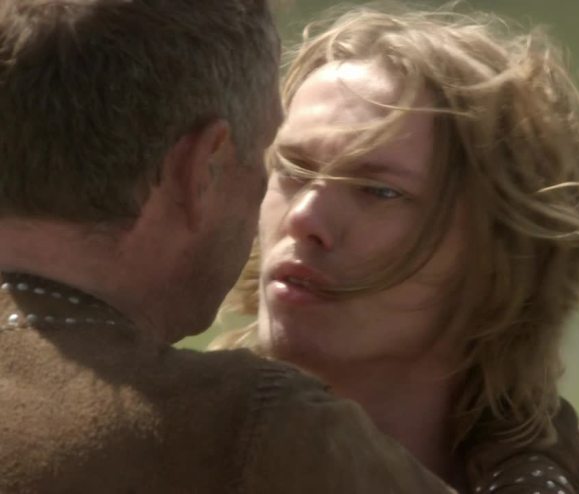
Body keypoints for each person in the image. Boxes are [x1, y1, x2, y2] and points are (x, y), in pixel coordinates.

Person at [214, 5, 579, 494]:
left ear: (497, 253)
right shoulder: (170, 454)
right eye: (293, 170)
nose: (304, 219)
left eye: (379, 191)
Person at [0, 1, 458, 492]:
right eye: (277, 163)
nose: (302, 216)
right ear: (201, 168)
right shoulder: (245, 432)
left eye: (378, 191)